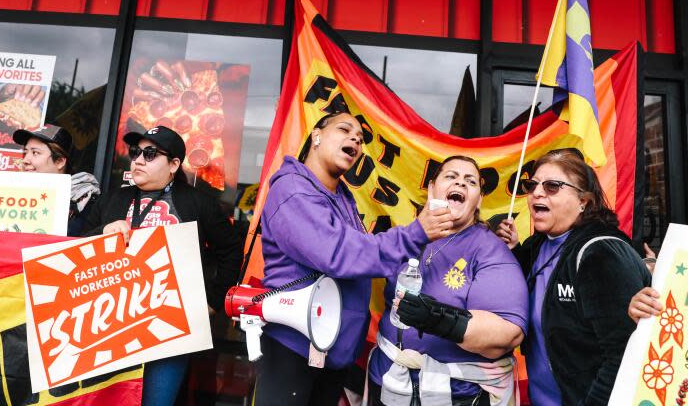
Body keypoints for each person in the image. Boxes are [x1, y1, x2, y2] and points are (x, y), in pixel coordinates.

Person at [254, 111, 454, 406]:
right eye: (345, 130)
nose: (355, 140)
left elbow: (363, 256)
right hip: (293, 349)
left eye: (360, 139)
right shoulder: (291, 189)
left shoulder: (343, 198)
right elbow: (339, 254)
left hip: (332, 354)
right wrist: (415, 233)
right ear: (317, 136)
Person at [82, 125, 242, 406]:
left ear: (174, 164)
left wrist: (213, 301)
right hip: (109, 327)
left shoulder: (198, 203)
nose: (138, 159)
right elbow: (71, 244)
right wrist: (102, 231)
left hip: (170, 331)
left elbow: (230, 250)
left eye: (150, 153)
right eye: (135, 152)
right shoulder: (111, 199)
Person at [494, 148, 651, 405]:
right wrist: (514, 252)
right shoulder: (536, 246)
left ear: (584, 202)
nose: (537, 192)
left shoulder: (601, 253)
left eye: (553, 186)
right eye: (532, 185)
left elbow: (624, 353)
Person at [372, 155, 528, 406]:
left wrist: (435, 318)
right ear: (432, 187)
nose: (461, 184)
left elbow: (507, 334)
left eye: (471, 181)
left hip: (457, 396)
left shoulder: (489, 250)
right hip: (388, 384)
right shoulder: (407, 237)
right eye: (451, 176)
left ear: (479, 200)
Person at [11, 124, 99, 236]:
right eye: (25, 152)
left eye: (35, 153)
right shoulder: (13, 196)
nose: (25, 160)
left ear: (60, 162)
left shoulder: (86, 205)